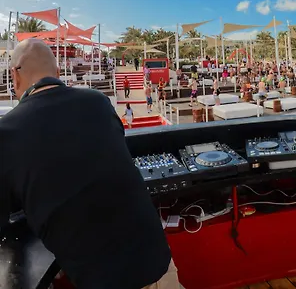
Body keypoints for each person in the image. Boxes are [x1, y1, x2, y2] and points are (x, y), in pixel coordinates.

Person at [0, 39, 180, 289]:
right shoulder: (98, 102)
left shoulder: (6, 131)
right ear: (58, 73)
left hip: (103, 279)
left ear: (14, 76)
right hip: (158, 263)